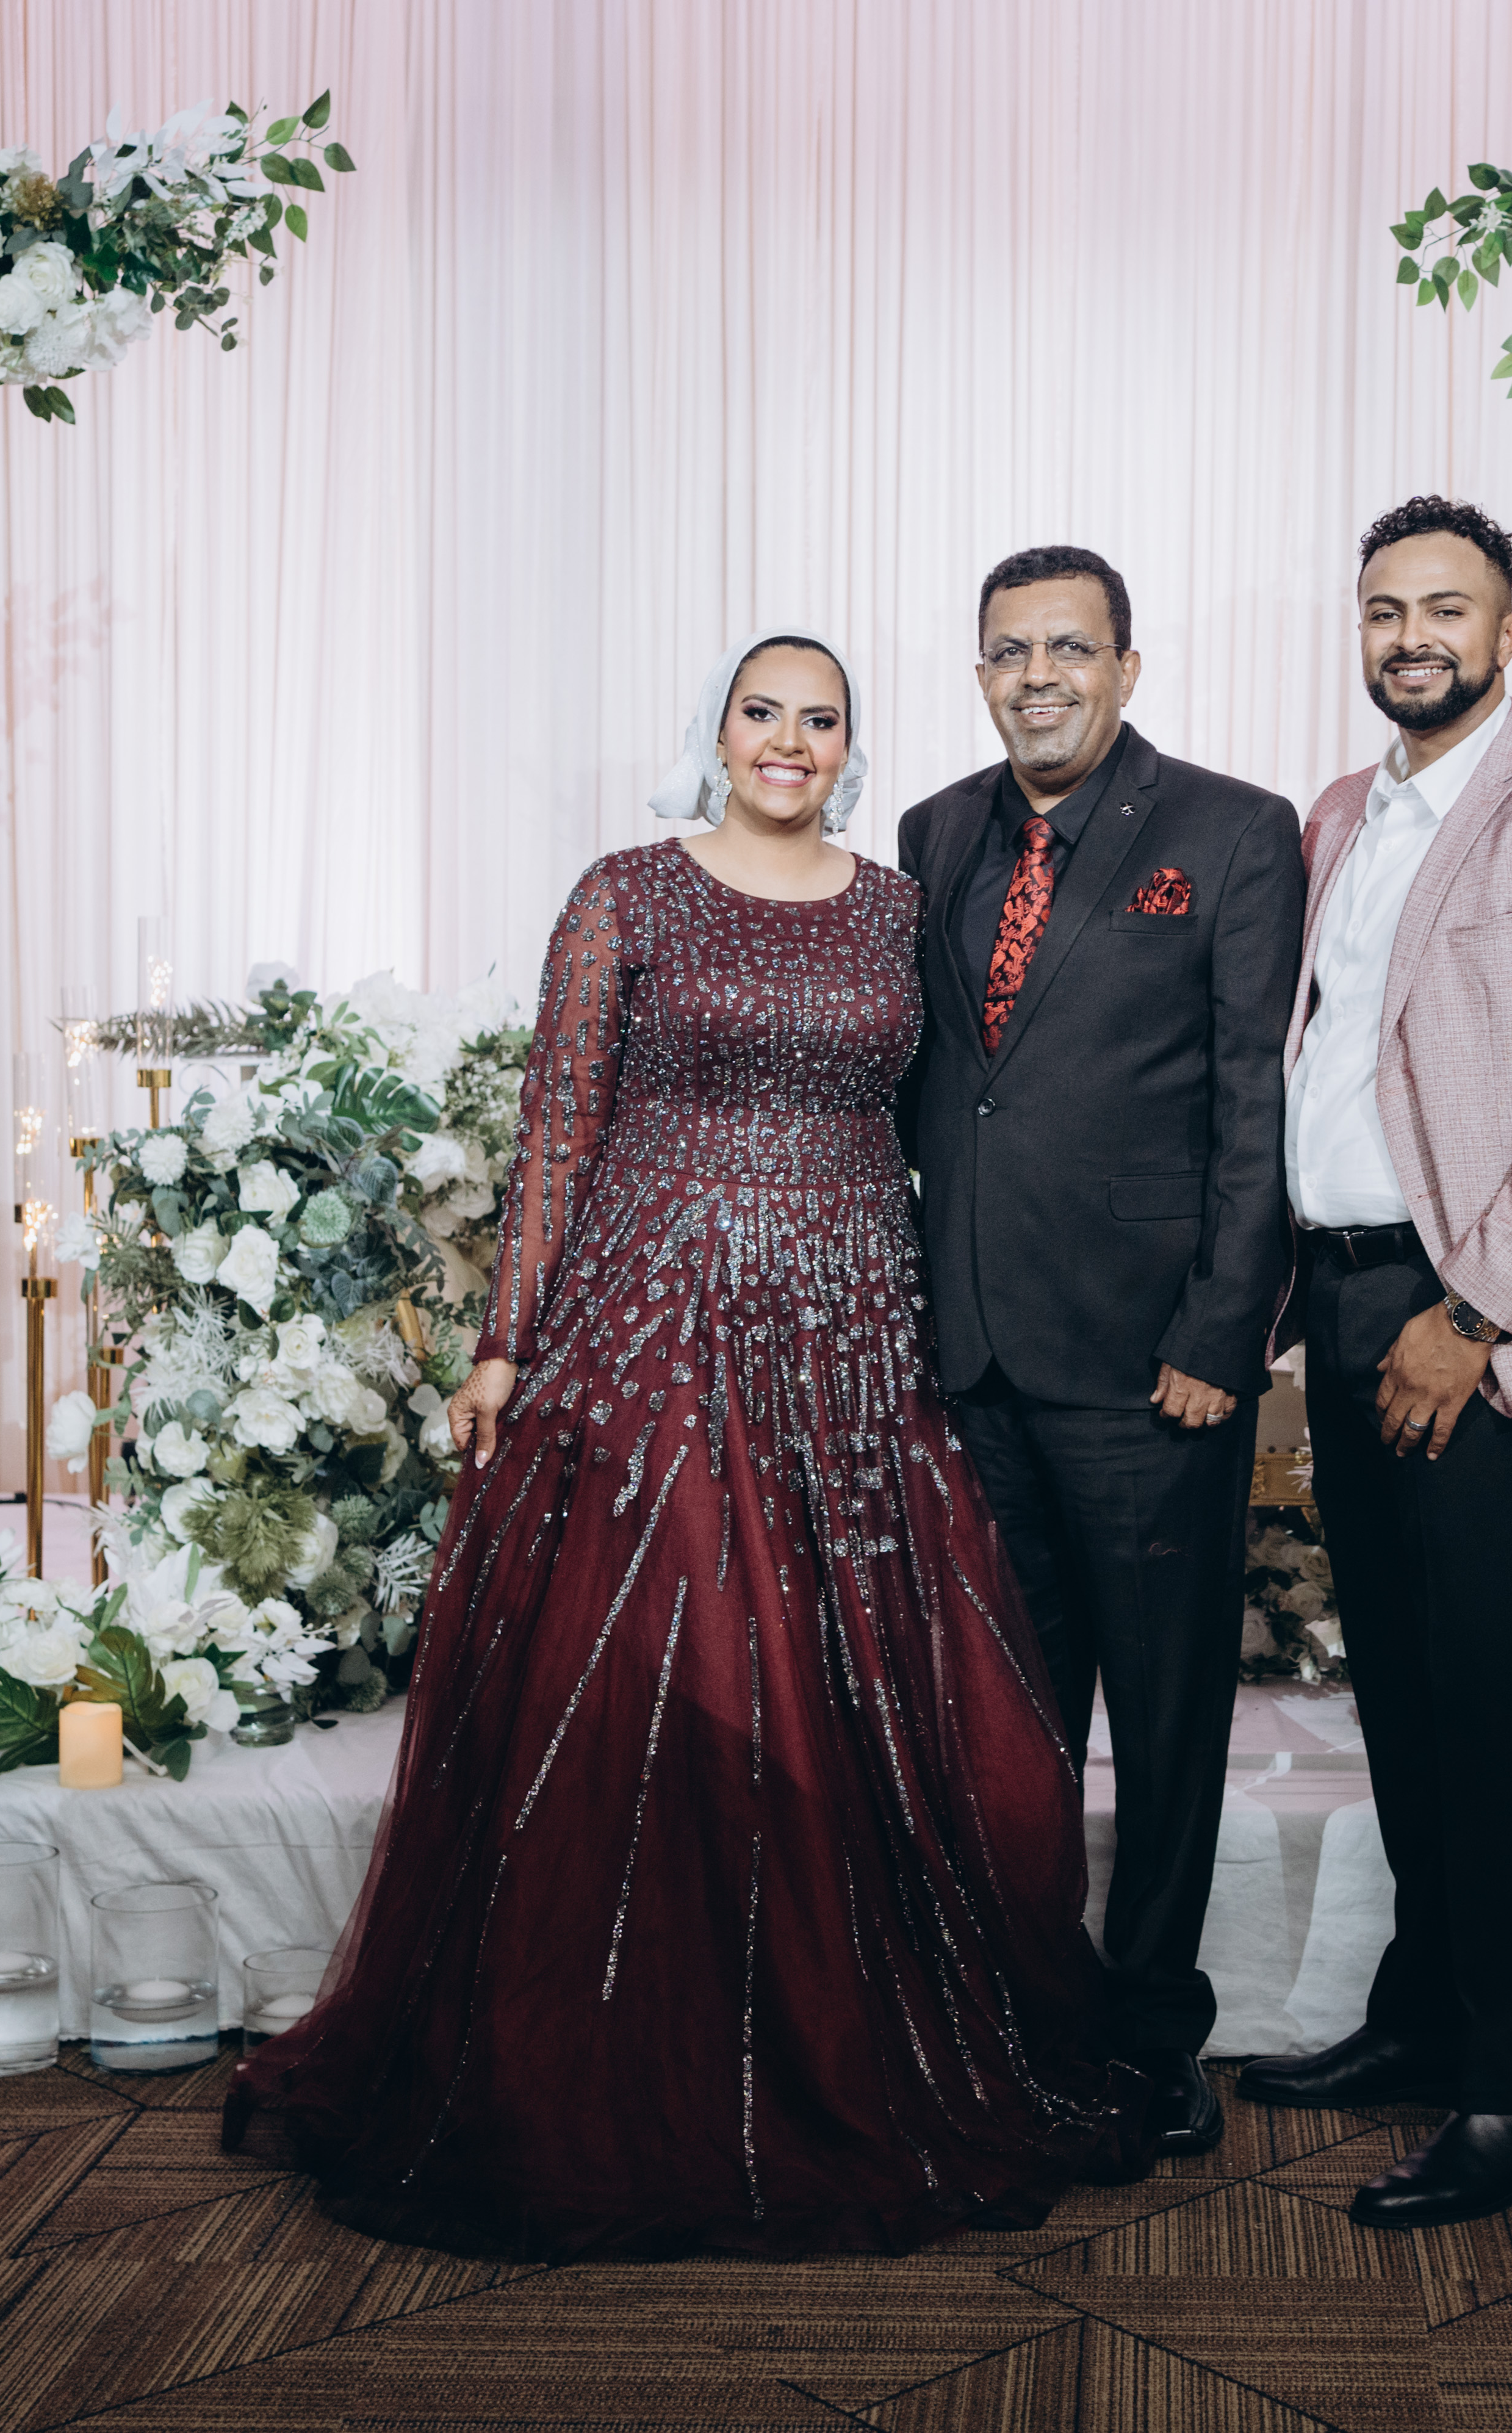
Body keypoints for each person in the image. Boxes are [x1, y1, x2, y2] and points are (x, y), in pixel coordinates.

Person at [227, 632, 1150, 2257]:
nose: (790, 740)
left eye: (821, 719)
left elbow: (957, 1120)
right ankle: (608, 2060)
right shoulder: (626, 897)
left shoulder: (896, 908)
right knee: (660, 1677)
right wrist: (506, 1342)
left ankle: (832, 2048)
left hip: (850, 1344)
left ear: (849, 748)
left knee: (848, 1687)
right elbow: (558, 1126)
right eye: (762, 712)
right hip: (652, 1327)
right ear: (717, 733)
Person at [1234, 497, 1512, 2230]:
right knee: (1407, 1698)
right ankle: (1427, 2014)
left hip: (1481, 1318)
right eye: (1385, 609)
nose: (1412, 635)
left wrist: (1471, 1311)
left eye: (1447, 608)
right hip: (1349, 1297)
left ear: (1508, 631)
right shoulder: (1340, 815)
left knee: (1487, 1712)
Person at [895, 546, 1304, 2157]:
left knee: (1168, 1714)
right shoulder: (934, 832)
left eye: (1071, 647)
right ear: (980, 673)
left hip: (1153, 1367)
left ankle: (1149, 2037)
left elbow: (1257, 1105)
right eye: (1011, 651)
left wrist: (1223, 1327)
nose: (1039, 676)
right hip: (976, 1356)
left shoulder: (1232, 830)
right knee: (1010, 1719)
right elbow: (950, 1087)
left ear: (1130, 667)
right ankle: (1023, 2017)